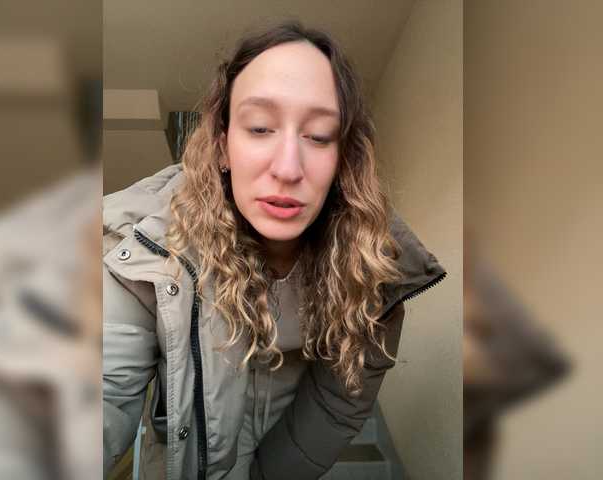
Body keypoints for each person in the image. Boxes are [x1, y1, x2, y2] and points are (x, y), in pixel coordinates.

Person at [103, 21, 446, 480]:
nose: (287, 168)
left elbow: (338, 405)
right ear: (222, 147)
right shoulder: (147, 243)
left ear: (342, 160)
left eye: (319, 135)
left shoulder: (376, 268)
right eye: (260, 127)